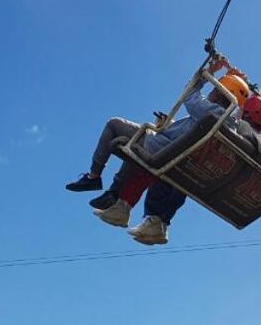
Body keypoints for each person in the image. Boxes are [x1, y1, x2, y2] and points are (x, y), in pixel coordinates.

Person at [65, 57, 250, 227]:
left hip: (160, 148)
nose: (211, 92)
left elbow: (189, 93)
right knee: (134, 142)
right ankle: (114, 196)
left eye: (215, 89)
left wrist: (212, 70)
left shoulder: (212, 113)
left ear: (219, 94)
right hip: (171, 151)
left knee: (115, 126)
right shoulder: (228, 123)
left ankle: (93, 177)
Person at [129, 105, 261, 245]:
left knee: (177, 165)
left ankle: (155, 219)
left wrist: (242, 116)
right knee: (185, 171)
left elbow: (249, 137)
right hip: (240, 198)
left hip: (224, 182)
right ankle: (159, 223)